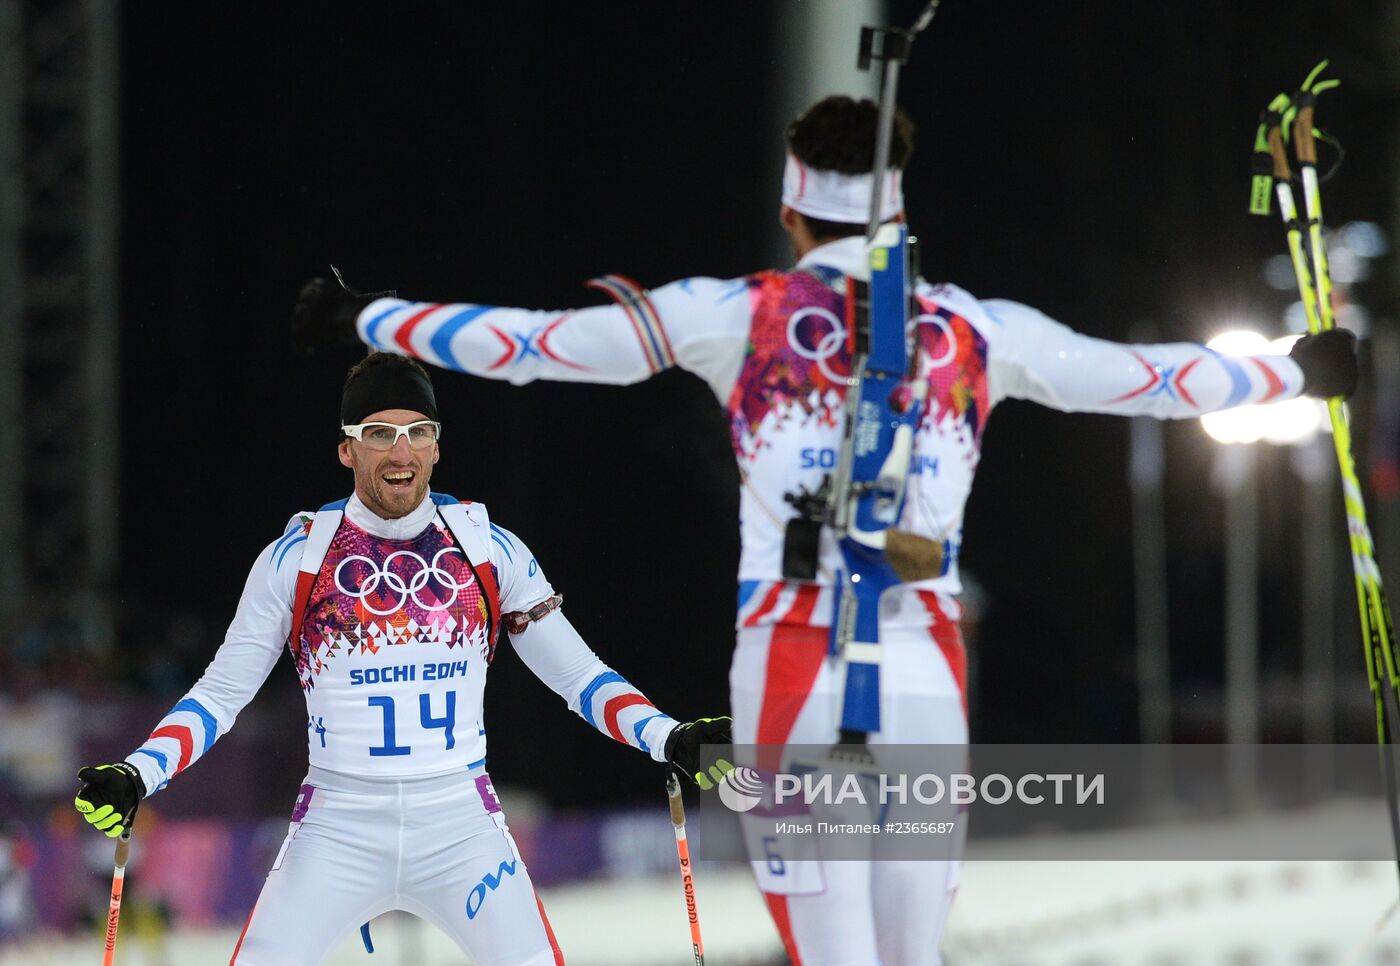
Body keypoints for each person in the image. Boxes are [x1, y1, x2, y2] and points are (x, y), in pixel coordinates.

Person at [289, 96, 1358, 965]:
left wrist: (370, 320)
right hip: (927, 678)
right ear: (898, 216)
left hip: (793, 671)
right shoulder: (974, 329)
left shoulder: (741, 313)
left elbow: (536, 347)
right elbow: (1148, 380)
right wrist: (1298, 370)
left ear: (794, 215)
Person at [72, 352, 730, 965]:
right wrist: (138, 775)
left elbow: (578, 675)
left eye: (418, 431)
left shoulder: (487, 549)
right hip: (337, 828)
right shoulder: (297, 558)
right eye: (379, 433)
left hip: (460, 827)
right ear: (347, 448)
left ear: (437, 446)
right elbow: (220, 695)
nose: (401, 450)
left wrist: (667, 736)